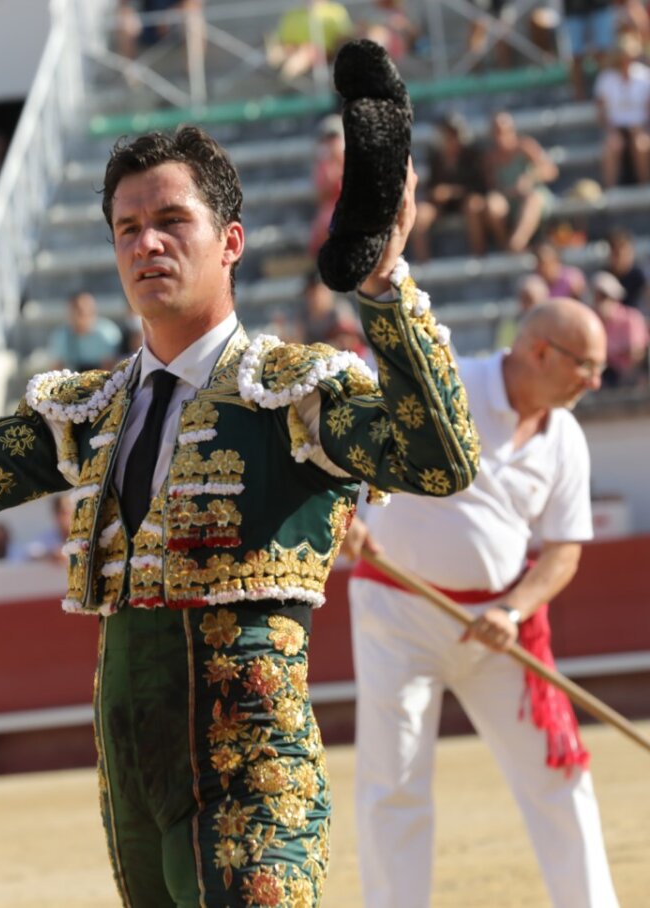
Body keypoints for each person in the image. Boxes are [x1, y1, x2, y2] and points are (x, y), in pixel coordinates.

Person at [0, 124, 479, 904]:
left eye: (171, 222)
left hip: (250, 774)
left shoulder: (294, 392)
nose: (146, 244)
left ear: (230, 242)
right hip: (131, 785)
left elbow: (439, 459)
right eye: (128, 229)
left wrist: (385, 281)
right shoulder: (90, 410)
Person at [344, 297, 619, 908]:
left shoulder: (565, 438)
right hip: (398, 617)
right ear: (542, 352)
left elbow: (562, 552)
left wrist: (512, 612)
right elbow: (343, 435)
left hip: (502, 631)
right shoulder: (446, 383)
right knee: (394, 782)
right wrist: (343, 513)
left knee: (559, 776)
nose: (597, 382)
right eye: (589, 366)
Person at [410, 112, 488, 262]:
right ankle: (423, 264)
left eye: (453, 133)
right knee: (421, 214)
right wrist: (437, 194)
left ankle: (479, 257)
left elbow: (478, 186)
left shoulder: (472, 155)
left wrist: (452, 193)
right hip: (441, 205)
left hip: (466, 201)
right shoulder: (435, 156)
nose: (450, 138)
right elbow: (431, 187)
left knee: (473, 205)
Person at [483, 112, 559, 254]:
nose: (501, 136)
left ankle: (517, 243)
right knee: (492, 204)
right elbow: (492, 187)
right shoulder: (490, 158)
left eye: (504, 130)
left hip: (534, 197)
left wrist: (530, 178)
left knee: (531, 200)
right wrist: (509, 191)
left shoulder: (526, 146)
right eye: (496, 132)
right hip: (510, 200)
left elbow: (551, 170)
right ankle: (505, 244)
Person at [595, 33, 650, 188]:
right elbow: (601, 110)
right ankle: (609, 190)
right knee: (612, 145)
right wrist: (610, 129)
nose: (626, 60)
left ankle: (645, 187)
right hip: (615, 128)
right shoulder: (606, 78)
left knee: (641, 144)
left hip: (640, 127)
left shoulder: (645, 76)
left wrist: (643, 128)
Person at [591, 269, 649, 387]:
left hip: (632, 379)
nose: (600, 301)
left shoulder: (632, 318)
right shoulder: (592, 322)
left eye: (604, 296)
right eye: (598, 296)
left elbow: (636, 355)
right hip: (605, 381)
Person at [45, 290, 124, 371]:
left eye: (82, 311)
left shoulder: (107, 334)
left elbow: (110, 370)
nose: (78, 316)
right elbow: (56, 370)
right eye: (75, 310)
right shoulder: (60, 336)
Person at [562, 0, 618, 100]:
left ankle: (606, 95)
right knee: (576, 56)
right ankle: (579, 98)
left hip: (599, 6)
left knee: (603, 53)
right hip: (574, 10)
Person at [308, 115, 345, 258]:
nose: (331, 143)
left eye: (334, 137)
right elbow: (322, 194)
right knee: (325, 223)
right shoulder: (323, 165)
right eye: (327, 138)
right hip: (331, 211)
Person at [606, 227, 647, 308]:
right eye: (616, 254)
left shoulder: (639, 276)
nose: (620, 259)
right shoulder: (605, 276)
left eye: (624, 253)